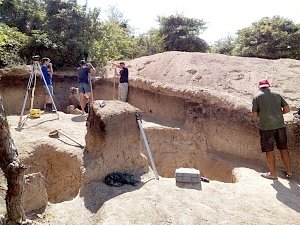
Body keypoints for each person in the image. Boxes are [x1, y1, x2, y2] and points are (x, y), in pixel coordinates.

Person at [252, 79, 293, 179]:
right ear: (268, 85)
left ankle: (273, 174)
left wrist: (259, 119)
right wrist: (278, 114)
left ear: (259, 87)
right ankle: (289, 172)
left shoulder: (257, 97)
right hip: (280, 126)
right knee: (284, 149)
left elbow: (254, 115)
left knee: (269, 150)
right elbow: (287, 109)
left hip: (266, 127)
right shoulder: (277, 95)